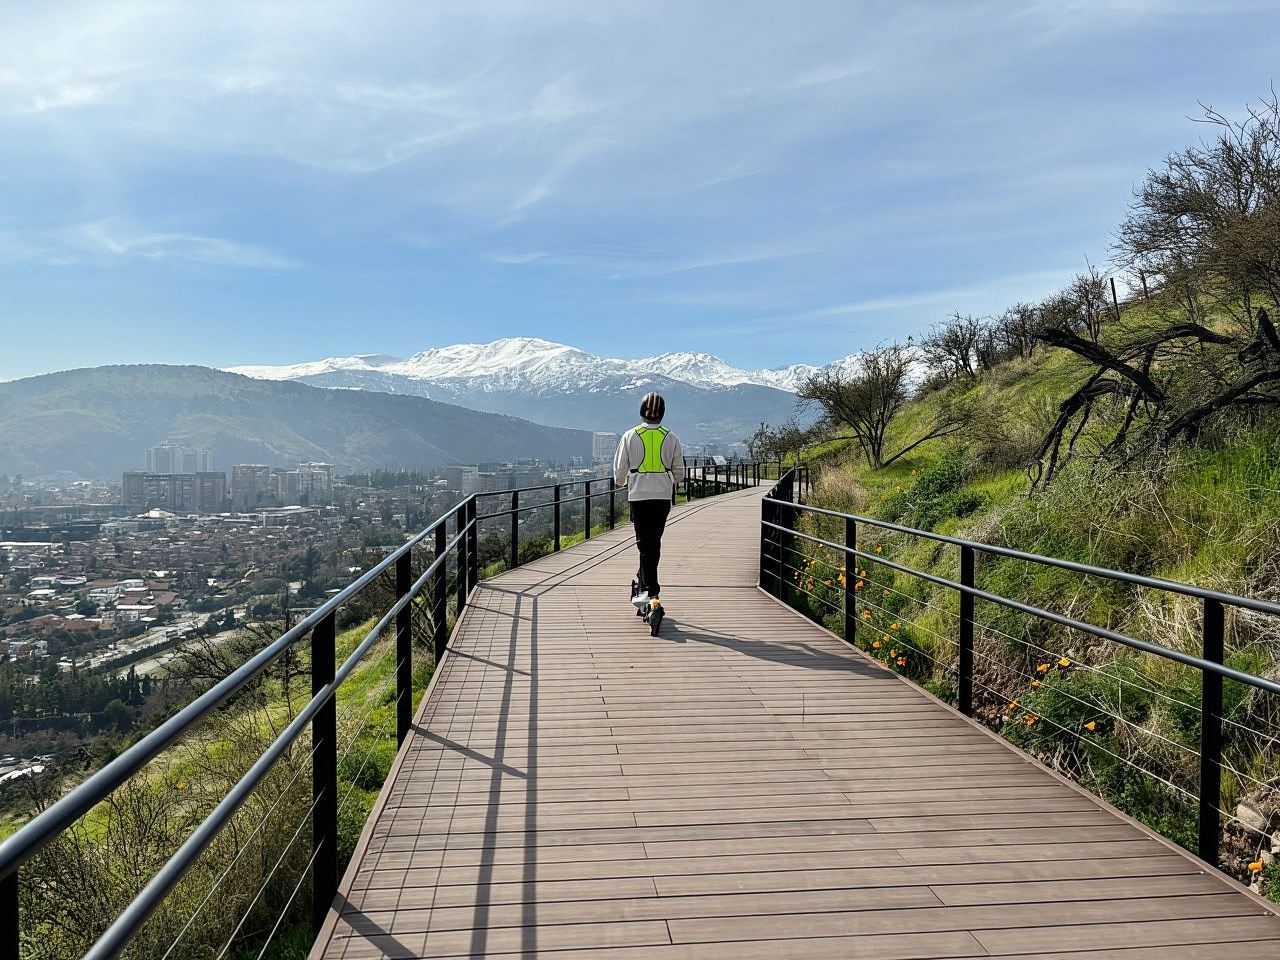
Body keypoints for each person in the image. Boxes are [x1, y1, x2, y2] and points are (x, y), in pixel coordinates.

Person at [613, 392, 685, 614]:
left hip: (638, 496)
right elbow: (680, 473)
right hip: (662, 496)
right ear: (662, 413)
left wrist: (623, 481)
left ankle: (651, 591)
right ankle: (644, 583)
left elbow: (619, 471)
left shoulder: (630, 436)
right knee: (653, 542)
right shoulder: (671, 437)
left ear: (641, 411)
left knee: (645, 543)